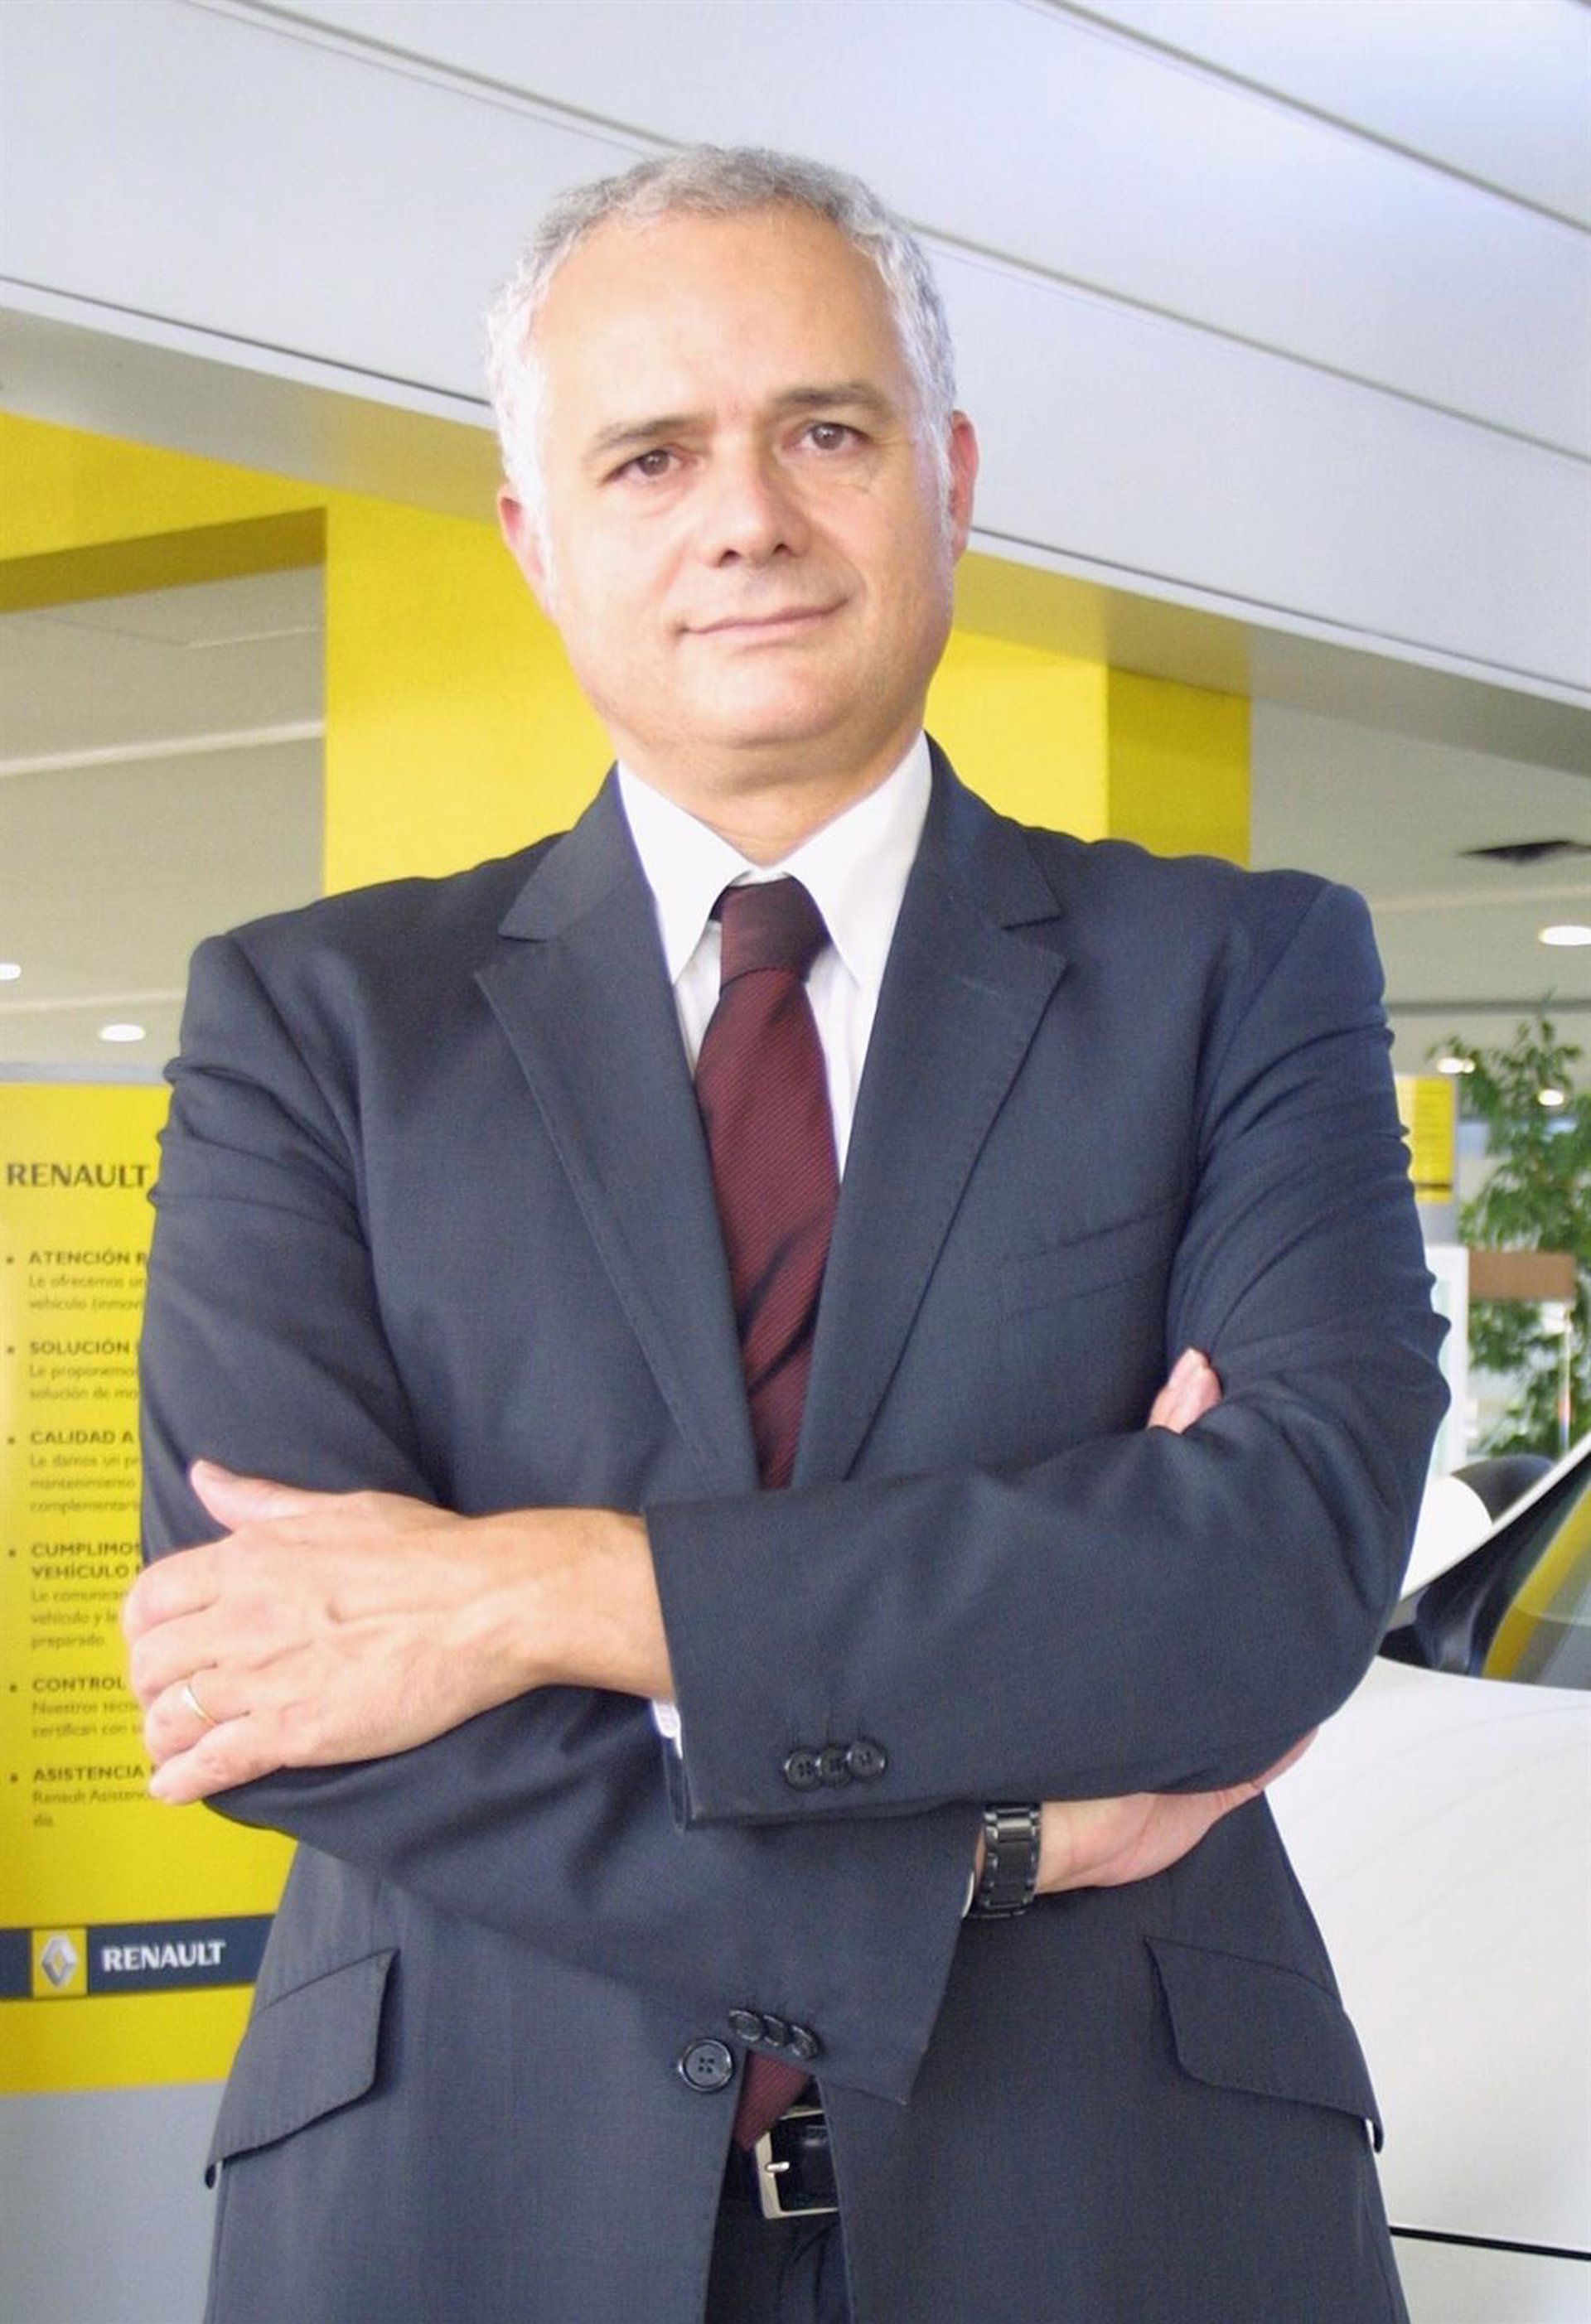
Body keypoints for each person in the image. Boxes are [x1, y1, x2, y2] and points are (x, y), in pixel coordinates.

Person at [123, 147, 1445, 2324]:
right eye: (650, 455)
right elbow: (286, 1677)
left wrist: (535, 1592)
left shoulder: (1241, 972)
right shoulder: (315, 1024)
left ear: (949, 479)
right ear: (536, 539)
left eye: (824, 431)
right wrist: (978, 1848)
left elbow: (1274, 1577)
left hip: (1115, 2203)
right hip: (466, 2206)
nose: (744, 516)